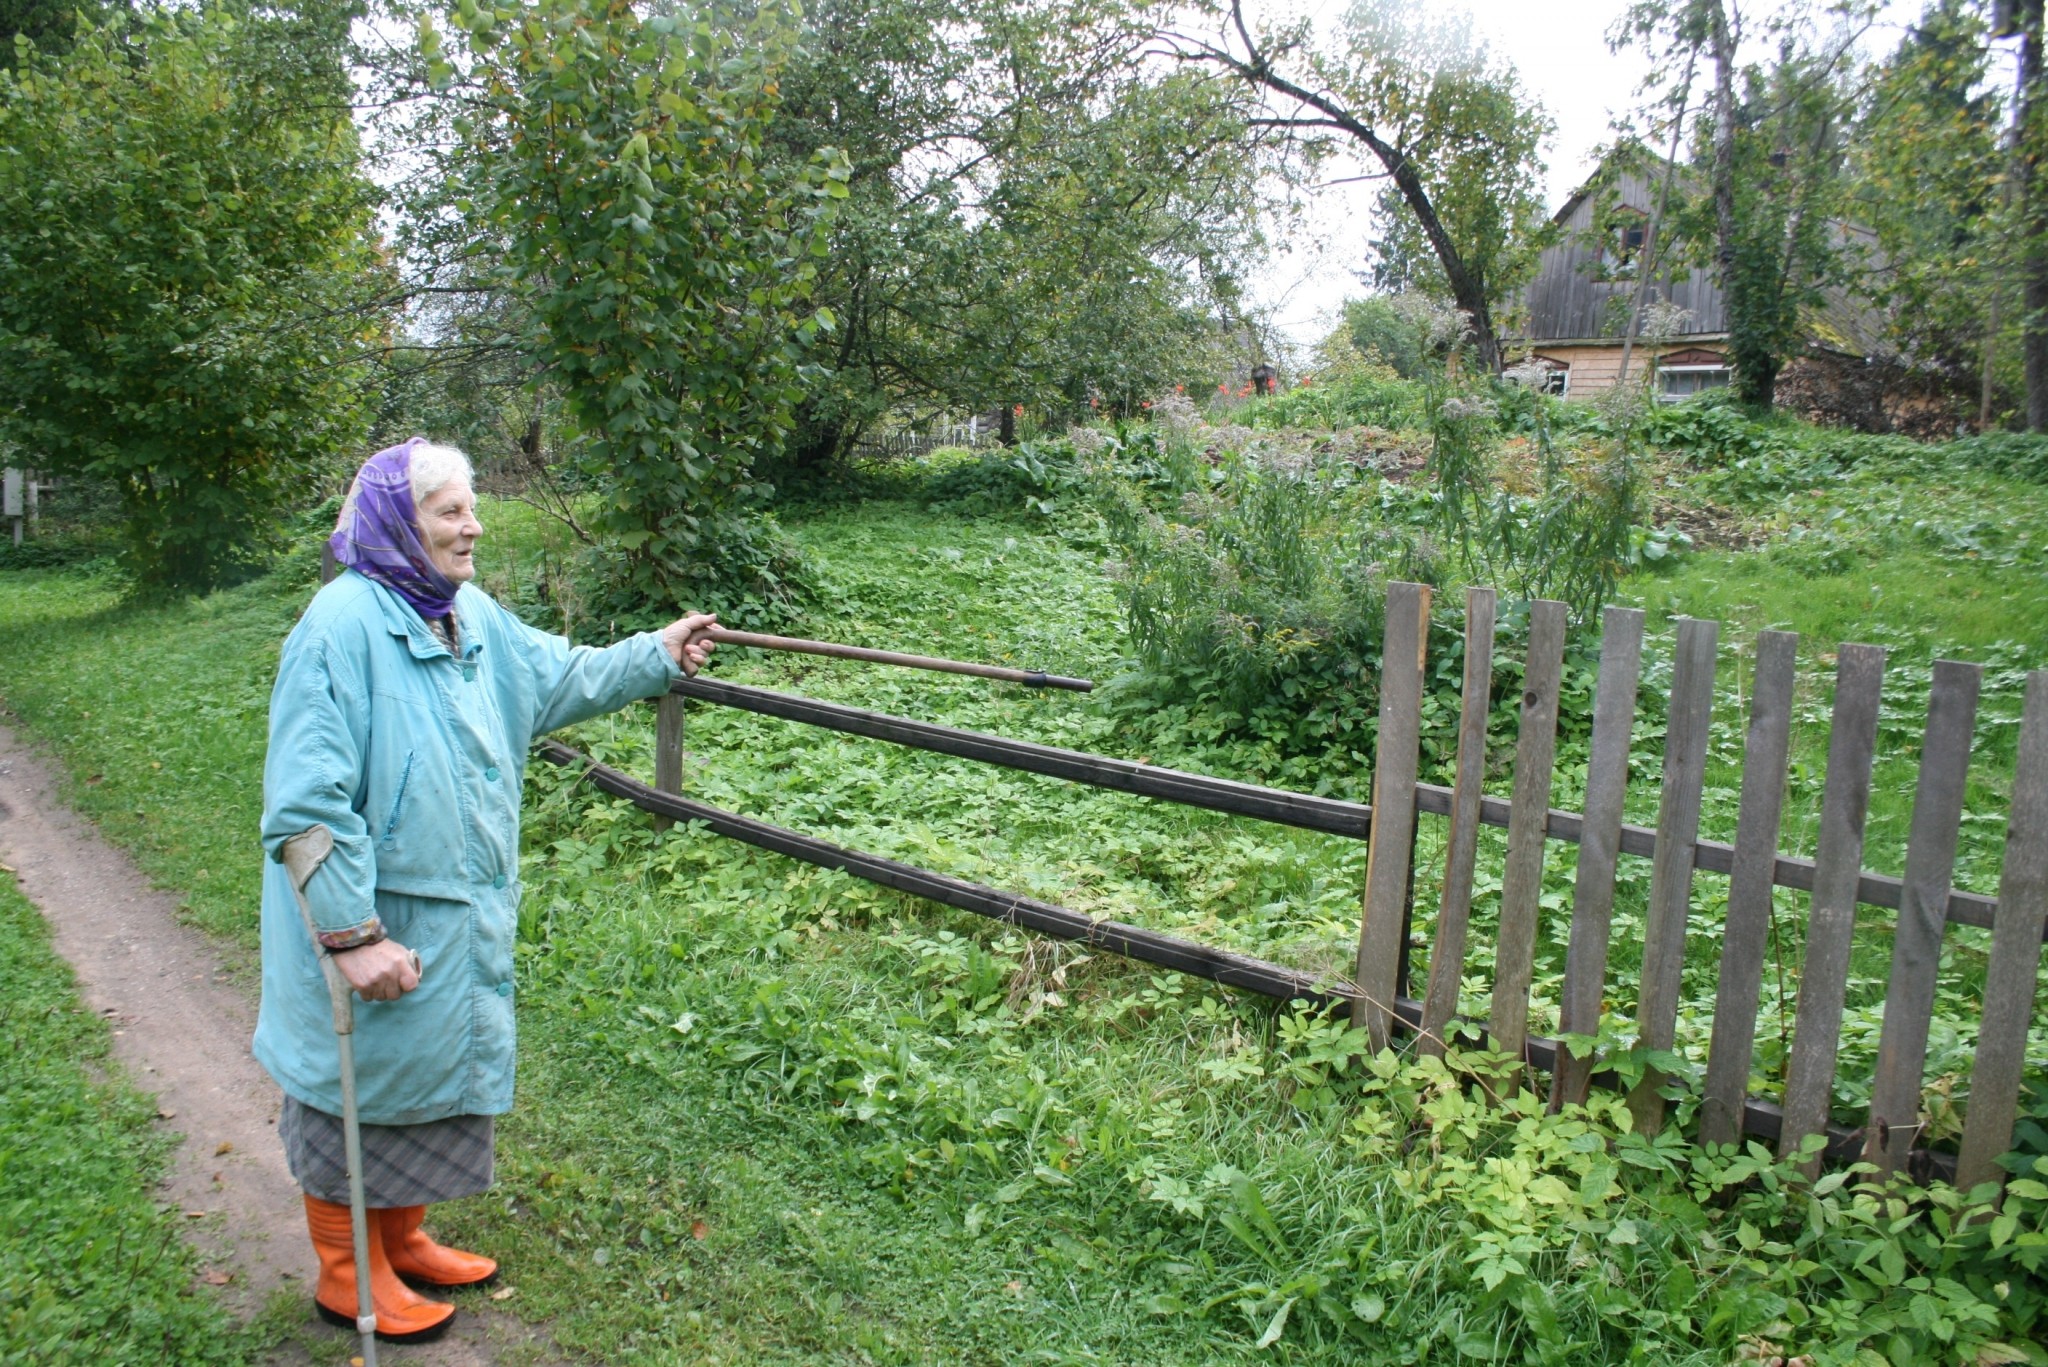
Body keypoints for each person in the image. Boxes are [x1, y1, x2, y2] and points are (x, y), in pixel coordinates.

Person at [254, 437, 715, 1342]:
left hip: (456, 913)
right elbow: (307, 805)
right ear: (398, 521)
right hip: (379, 921)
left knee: (430, 1082)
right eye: (450, 512)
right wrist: (351, 936)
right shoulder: (339, 627)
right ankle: (350, 1272)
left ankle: (403, 1237)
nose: (473, 527)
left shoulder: (468, 614)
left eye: (472, 509)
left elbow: (561, 676)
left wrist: (657, 653)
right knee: (356, 1090)